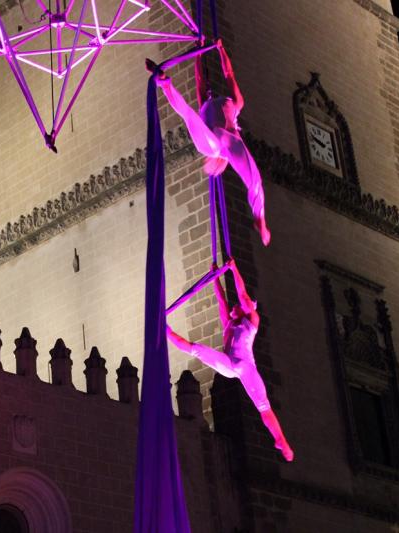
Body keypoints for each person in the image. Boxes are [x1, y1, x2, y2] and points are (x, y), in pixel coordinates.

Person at [166, 259, 293, 461]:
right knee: (196, 349)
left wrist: (234, 269)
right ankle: (164, 330)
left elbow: (242, 295)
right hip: (229, 367)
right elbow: (222, 299)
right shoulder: (228, 323)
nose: (237, 305)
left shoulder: (252, 320)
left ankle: (281, 440)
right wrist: (216, 277)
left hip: (245, 368)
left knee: (263, 405)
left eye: (241, 305)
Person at [149, 39, 271, 246]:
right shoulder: (205, 102)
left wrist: (221, 50)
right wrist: (199, 53)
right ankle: (164, 81)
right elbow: (199, 79)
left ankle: (260, 219)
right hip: (212, 142)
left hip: (227, 143)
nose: (211, 89)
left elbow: (229, 75)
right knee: (189, 115)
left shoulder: (235, 104)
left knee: (255, 179)